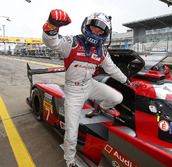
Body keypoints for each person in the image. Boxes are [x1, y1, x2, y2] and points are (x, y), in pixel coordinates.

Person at [42, 9, 130, 167]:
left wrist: (126, 81)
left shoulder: (102, 50)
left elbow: (112, 69)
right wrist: (52, 26)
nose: (96, 30)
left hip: (90, 85)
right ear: (87, 26)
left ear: (105, 32)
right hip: (73, 91)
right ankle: (70, 161)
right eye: (94, 26)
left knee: (118, 98)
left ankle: (100, 108)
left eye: (100, 29)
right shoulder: (72, 42)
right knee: (71, 132)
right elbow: (52, 42)